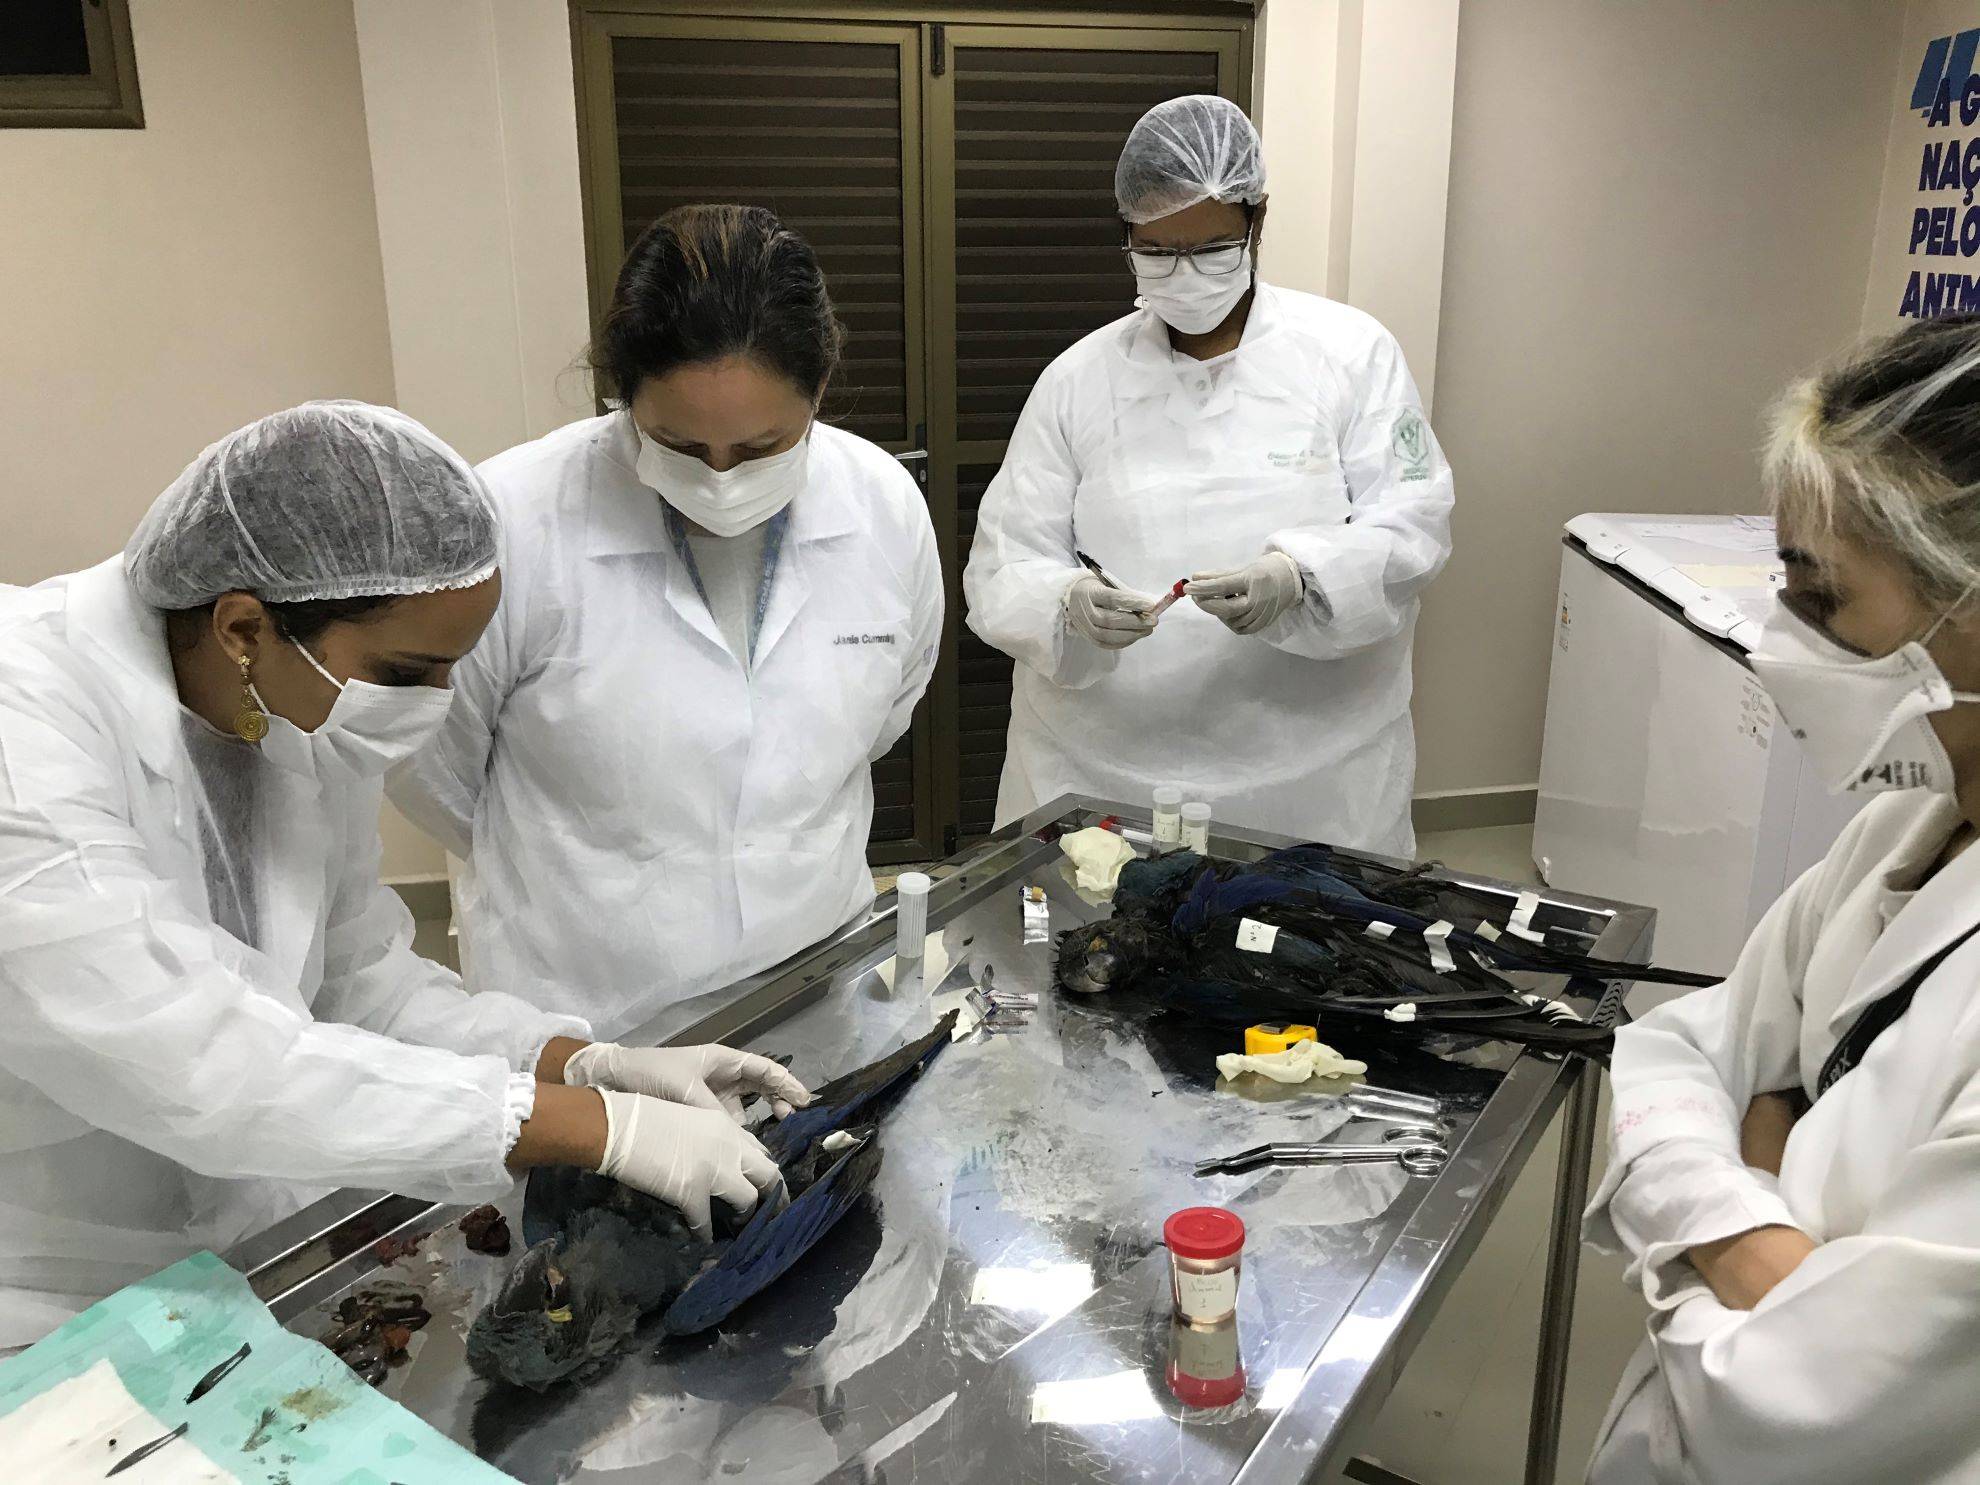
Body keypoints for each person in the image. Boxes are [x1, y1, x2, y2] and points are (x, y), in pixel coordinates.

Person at [0, 403, 808, 1348]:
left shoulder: (293, 710)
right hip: (47, 1279)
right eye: (406, 671)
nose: (435, 704)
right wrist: (592, 1127)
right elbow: (201, 1059)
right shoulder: (27, 732)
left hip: (248, 1243)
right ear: (243, 626)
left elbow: (357, 982)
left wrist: (578, 1062)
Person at [1584, 315, 1980, 1483]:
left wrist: (1727, 1184)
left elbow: (1796, 1403)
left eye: (1823, 595)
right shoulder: (1899, 833)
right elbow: (1675, 1051)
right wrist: (1758, 1231)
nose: (1776, 641)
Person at [388, 206, 943, 1037]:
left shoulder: (883, 507)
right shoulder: (513, 520)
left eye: (759, 448)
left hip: (815, 973)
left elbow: (887, 710)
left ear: (820, 390)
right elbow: (433, 765)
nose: (720, 479)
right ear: (622, 398)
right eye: (679, 446)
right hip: (590, 1010)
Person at [962, 95, 1453, 855]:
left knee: (1304, 930)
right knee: (1090, 926)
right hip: (1100, 775)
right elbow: (1005, 558)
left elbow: (1414, 525)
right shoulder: (1077, 379)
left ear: (1258, 221)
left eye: (1213, 248)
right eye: (1157, 251)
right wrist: (1067, 603)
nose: (1185, 274)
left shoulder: (1352, 354)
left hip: (1312, 786)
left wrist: (1302, 578)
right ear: (1127, 236)